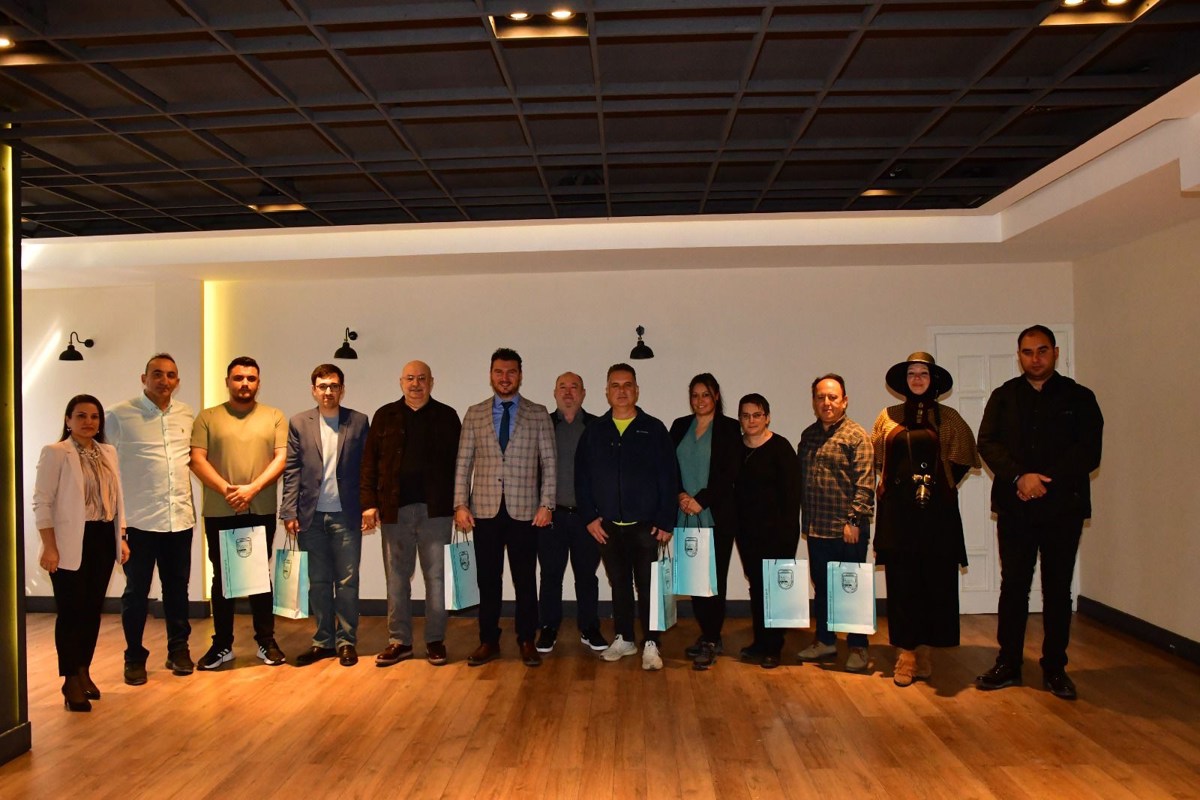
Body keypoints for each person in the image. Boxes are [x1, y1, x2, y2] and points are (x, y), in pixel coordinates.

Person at [976, 325, 1103, 701]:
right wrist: (1020, 477)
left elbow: (1088, 451)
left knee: (1057, 589)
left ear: (1056, 352)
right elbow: (987, 443)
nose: (1035, 358)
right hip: (1015, 508)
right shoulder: (1003, 396)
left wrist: (1042, 480)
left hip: (1063, 508)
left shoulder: (1080, 398)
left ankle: (1055, 668)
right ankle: (1008, 663)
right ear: (1019, 356)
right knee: (1013, 586)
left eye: (1042, 350)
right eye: (1028, 352)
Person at [871, 352, 978, 687]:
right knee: (902, 582)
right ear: (904, 380)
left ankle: (926, 650)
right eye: (912, 374)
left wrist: (941, 485)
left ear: (933, 380)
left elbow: (964, 456)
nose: (917, 379)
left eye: (923, 373)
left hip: (936, 514)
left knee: (935, 581)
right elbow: (878, 457)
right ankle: (905, 654)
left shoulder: (950, 418)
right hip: (897, 513)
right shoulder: (887, 416)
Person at [454, 348, 556, 667]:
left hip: (526, 512)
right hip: (483, 511)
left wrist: (547, 504)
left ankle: (527, 639)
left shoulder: (538, 413)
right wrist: (460, 503)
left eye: (511, 372)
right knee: (488, 580)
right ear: (491, 375)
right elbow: (463, 463)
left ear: (520, 375)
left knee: (525, 579)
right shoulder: (474, 413)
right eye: (499, 371)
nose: (505, 377)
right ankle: (489, 640)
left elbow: (549, 462)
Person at [576, 363, 678, 671]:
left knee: (647, 586)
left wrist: (666, 520)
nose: (622, 391)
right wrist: (590, 517)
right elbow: (582, 478)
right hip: (608, 526)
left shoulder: (654, 429)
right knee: (619, 584)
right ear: (606, 392)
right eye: (615, 385)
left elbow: (669, 477)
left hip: (646, 526)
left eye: (627, 385)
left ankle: (651, 642)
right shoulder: (595, 431)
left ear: (637, 390)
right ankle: (624, 638)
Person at [189, 356, 288, 670]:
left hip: (259, 507)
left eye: (251, 378)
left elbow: (281, 458)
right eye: (238, 378)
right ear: (228, 381)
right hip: (221, 509)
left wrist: (252, 490)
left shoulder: (274, 416)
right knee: (223, 578)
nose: (245, 383)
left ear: (258, 382)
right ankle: (222, 644)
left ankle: (266, 641)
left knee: (259, 576)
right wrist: (228, 490)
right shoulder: (208, 417)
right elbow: (197, 459)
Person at [360, 360, 461, 667]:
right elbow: (369, 462)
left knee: (437, 579)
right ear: (401, 382)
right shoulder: (385, 416)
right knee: (396, 580)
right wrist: (369, 503)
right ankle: (399, 641)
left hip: (436, 512)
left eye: (422, 378)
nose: (416, 384)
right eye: (410, 378)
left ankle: (435, 640)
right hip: (395, 511)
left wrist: (461, 504)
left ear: (432, 382)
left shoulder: (447, 416)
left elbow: (461, 465)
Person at [33, 394, 130, 712]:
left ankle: (84, 669)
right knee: (71, 612)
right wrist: (49, 546)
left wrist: (121, 537)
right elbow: (42, 502)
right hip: (68, 542)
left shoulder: (108, 452)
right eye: (81, 416)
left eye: (94, 417)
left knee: (91, 610)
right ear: (68, 420)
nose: (89, 422)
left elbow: (117, 498)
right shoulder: (55, 452)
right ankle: (70, 679)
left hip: (103, 538)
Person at [106, 353, 196, 685]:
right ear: (143, 378)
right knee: (136, 593)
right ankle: (134, 657)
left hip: (179, 520)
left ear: (177, 381)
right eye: (157, 374)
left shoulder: (186, 414)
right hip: (138, 522)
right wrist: (117, 526)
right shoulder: (118, 415)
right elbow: (106, 468)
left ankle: (178, 650)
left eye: (170, 375)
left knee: (177, 590)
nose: (164, 380)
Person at [281, 364, 370, 668]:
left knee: (347, 582)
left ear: (342, 389)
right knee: (318, 582)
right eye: (322, 386)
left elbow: (367, 468)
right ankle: (323, 641)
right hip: (310, 517)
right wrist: (288, 511)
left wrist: (369, 506)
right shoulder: (298, 422)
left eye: (333, 386)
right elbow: (292, 470)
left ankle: (346, 642)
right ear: (313, 390)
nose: (328, 391)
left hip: (347, 515)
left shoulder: (358, 421)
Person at [797, 374, 875, 673]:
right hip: (817, 528)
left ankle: (858, 646)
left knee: (852, 589)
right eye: (821, 397)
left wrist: (854, 521)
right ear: (814, 402)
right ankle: (825, 640)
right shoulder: (808, 436)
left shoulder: (857, 436)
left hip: (848, 530)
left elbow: (865, 484)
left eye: (832, 397)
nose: (826, 402)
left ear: (844, 400)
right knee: (823, 588)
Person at [668, 373, 741, 670]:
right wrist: (680, 495)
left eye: (706, 395)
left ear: (716, 396)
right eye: (695, 395)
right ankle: (707, 634)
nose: (700, 400)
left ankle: (712, 639)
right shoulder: (679, 426)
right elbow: (668, 465)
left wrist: (702, 499)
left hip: (715, 516)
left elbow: (730, 472)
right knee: (694, 581)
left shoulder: (729, 428)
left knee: (713, 580)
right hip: (684, 514)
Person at [536, 371, 608, 654]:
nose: (568, 392)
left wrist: (599, 512)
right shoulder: (543, 425)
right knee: (550, 575)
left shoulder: (596, 426)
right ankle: (549, 628)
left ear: (584, 393)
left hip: (586, 517)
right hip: (550, 516)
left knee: (587, 576)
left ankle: (589, 627)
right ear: (554, 393)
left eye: (574, 387)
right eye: (562, 387)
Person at [733, 393, 801, 670]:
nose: (751, 420)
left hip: (777, 534)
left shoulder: (780, 448)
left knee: (775, 589)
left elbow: (792, 496)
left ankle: (774, 647)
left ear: (767, 417)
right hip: (747, 534)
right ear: (740, 419)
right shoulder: (736, 448)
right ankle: (760, 641)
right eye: (746, 415)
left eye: (757, 415)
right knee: (757, 587)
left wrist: (787, 535)